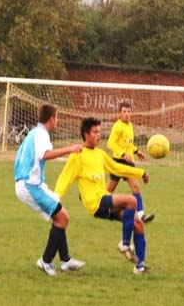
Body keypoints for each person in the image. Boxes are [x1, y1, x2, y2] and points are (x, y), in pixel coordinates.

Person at [55, 117, 151, 275]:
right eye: (95, 132)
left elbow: (117, 168)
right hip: (95, 203)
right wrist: (55, 198)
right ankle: (125, 244)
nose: (98, 135)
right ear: (86, 134)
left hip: (104, 199)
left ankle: (140, 267)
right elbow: (65, 178)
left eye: (99, 132)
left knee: (138, 224)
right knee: (131, 200)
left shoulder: (100, 154)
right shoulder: (77, 155)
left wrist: (141, 173)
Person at [14, 103, 85, 276]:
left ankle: (65, 260)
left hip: (30, 184)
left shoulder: (34, 132)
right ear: (52, 118)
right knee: (63, 218)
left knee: (60, 217)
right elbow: (44, 154)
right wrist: (70, 149)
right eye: (57, 117)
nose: (58, 120)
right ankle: (46, 261)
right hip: (30, 185)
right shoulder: (41, 134)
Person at [106, 101, 155, 223]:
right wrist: (123, 154)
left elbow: (128, 144)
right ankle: (98, 205)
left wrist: (137, 151)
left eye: (129, 111)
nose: (127, 114)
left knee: (136, 187)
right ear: (120, 113)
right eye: (124, 111)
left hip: (129, 163)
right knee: (109, 189)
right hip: (118, 162)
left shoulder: (130, 125)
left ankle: (141, 216)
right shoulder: (117, 126)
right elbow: (110, 143)